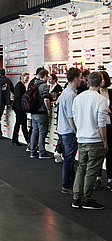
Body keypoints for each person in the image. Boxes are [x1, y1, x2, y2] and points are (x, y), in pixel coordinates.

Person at [72, 71, 108, 210]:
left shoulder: (78, 98)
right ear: (100, 82)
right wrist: (105, 141)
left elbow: (74, 118)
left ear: (87, 82)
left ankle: (77, 198)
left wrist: (79, 133)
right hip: (95, 140)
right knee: (92, 171)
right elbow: (101, 124)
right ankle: (88, 199)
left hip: (82, 139)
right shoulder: (101, 100)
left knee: (81, 168)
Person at [56, 67, 82, 195]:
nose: (82, 80)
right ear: (75, 78)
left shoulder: (65, 92)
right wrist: (77, 131)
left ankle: (70, 183)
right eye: (80, 77)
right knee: (69, 159)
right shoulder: (71, 95)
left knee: (69, 158)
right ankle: (66, 185)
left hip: (63, 129)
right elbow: (71, 117)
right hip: (69, 131)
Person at [93, 70, 112, 191]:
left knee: (110, 154)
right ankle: (98, 178)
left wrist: (107, 110)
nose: (101, 81)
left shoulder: (110, 92)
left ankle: (110, 179)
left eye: (103, 79)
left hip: (110, 126)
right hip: (99, 127)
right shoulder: (95, 94)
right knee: (98, 154)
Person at [29, 69, 54, 159]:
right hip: (41, 112)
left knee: (34, 132)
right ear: (45, 76)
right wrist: (48, 109)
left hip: (33, 112)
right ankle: (42, 152)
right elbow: (45, 98)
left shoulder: (34, 84)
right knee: (42, 133)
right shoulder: (44, 86)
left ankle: (33, 151)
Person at [11, 72, 30, 146]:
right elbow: (19, 96)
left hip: (18, 107)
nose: (28, 79)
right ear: (22, 77)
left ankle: (15, 139)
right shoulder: (20, 85)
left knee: (18, 124)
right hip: (19, 108)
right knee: (23, 124)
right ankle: (28, 141)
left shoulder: (20, 85)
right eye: (26, 77)